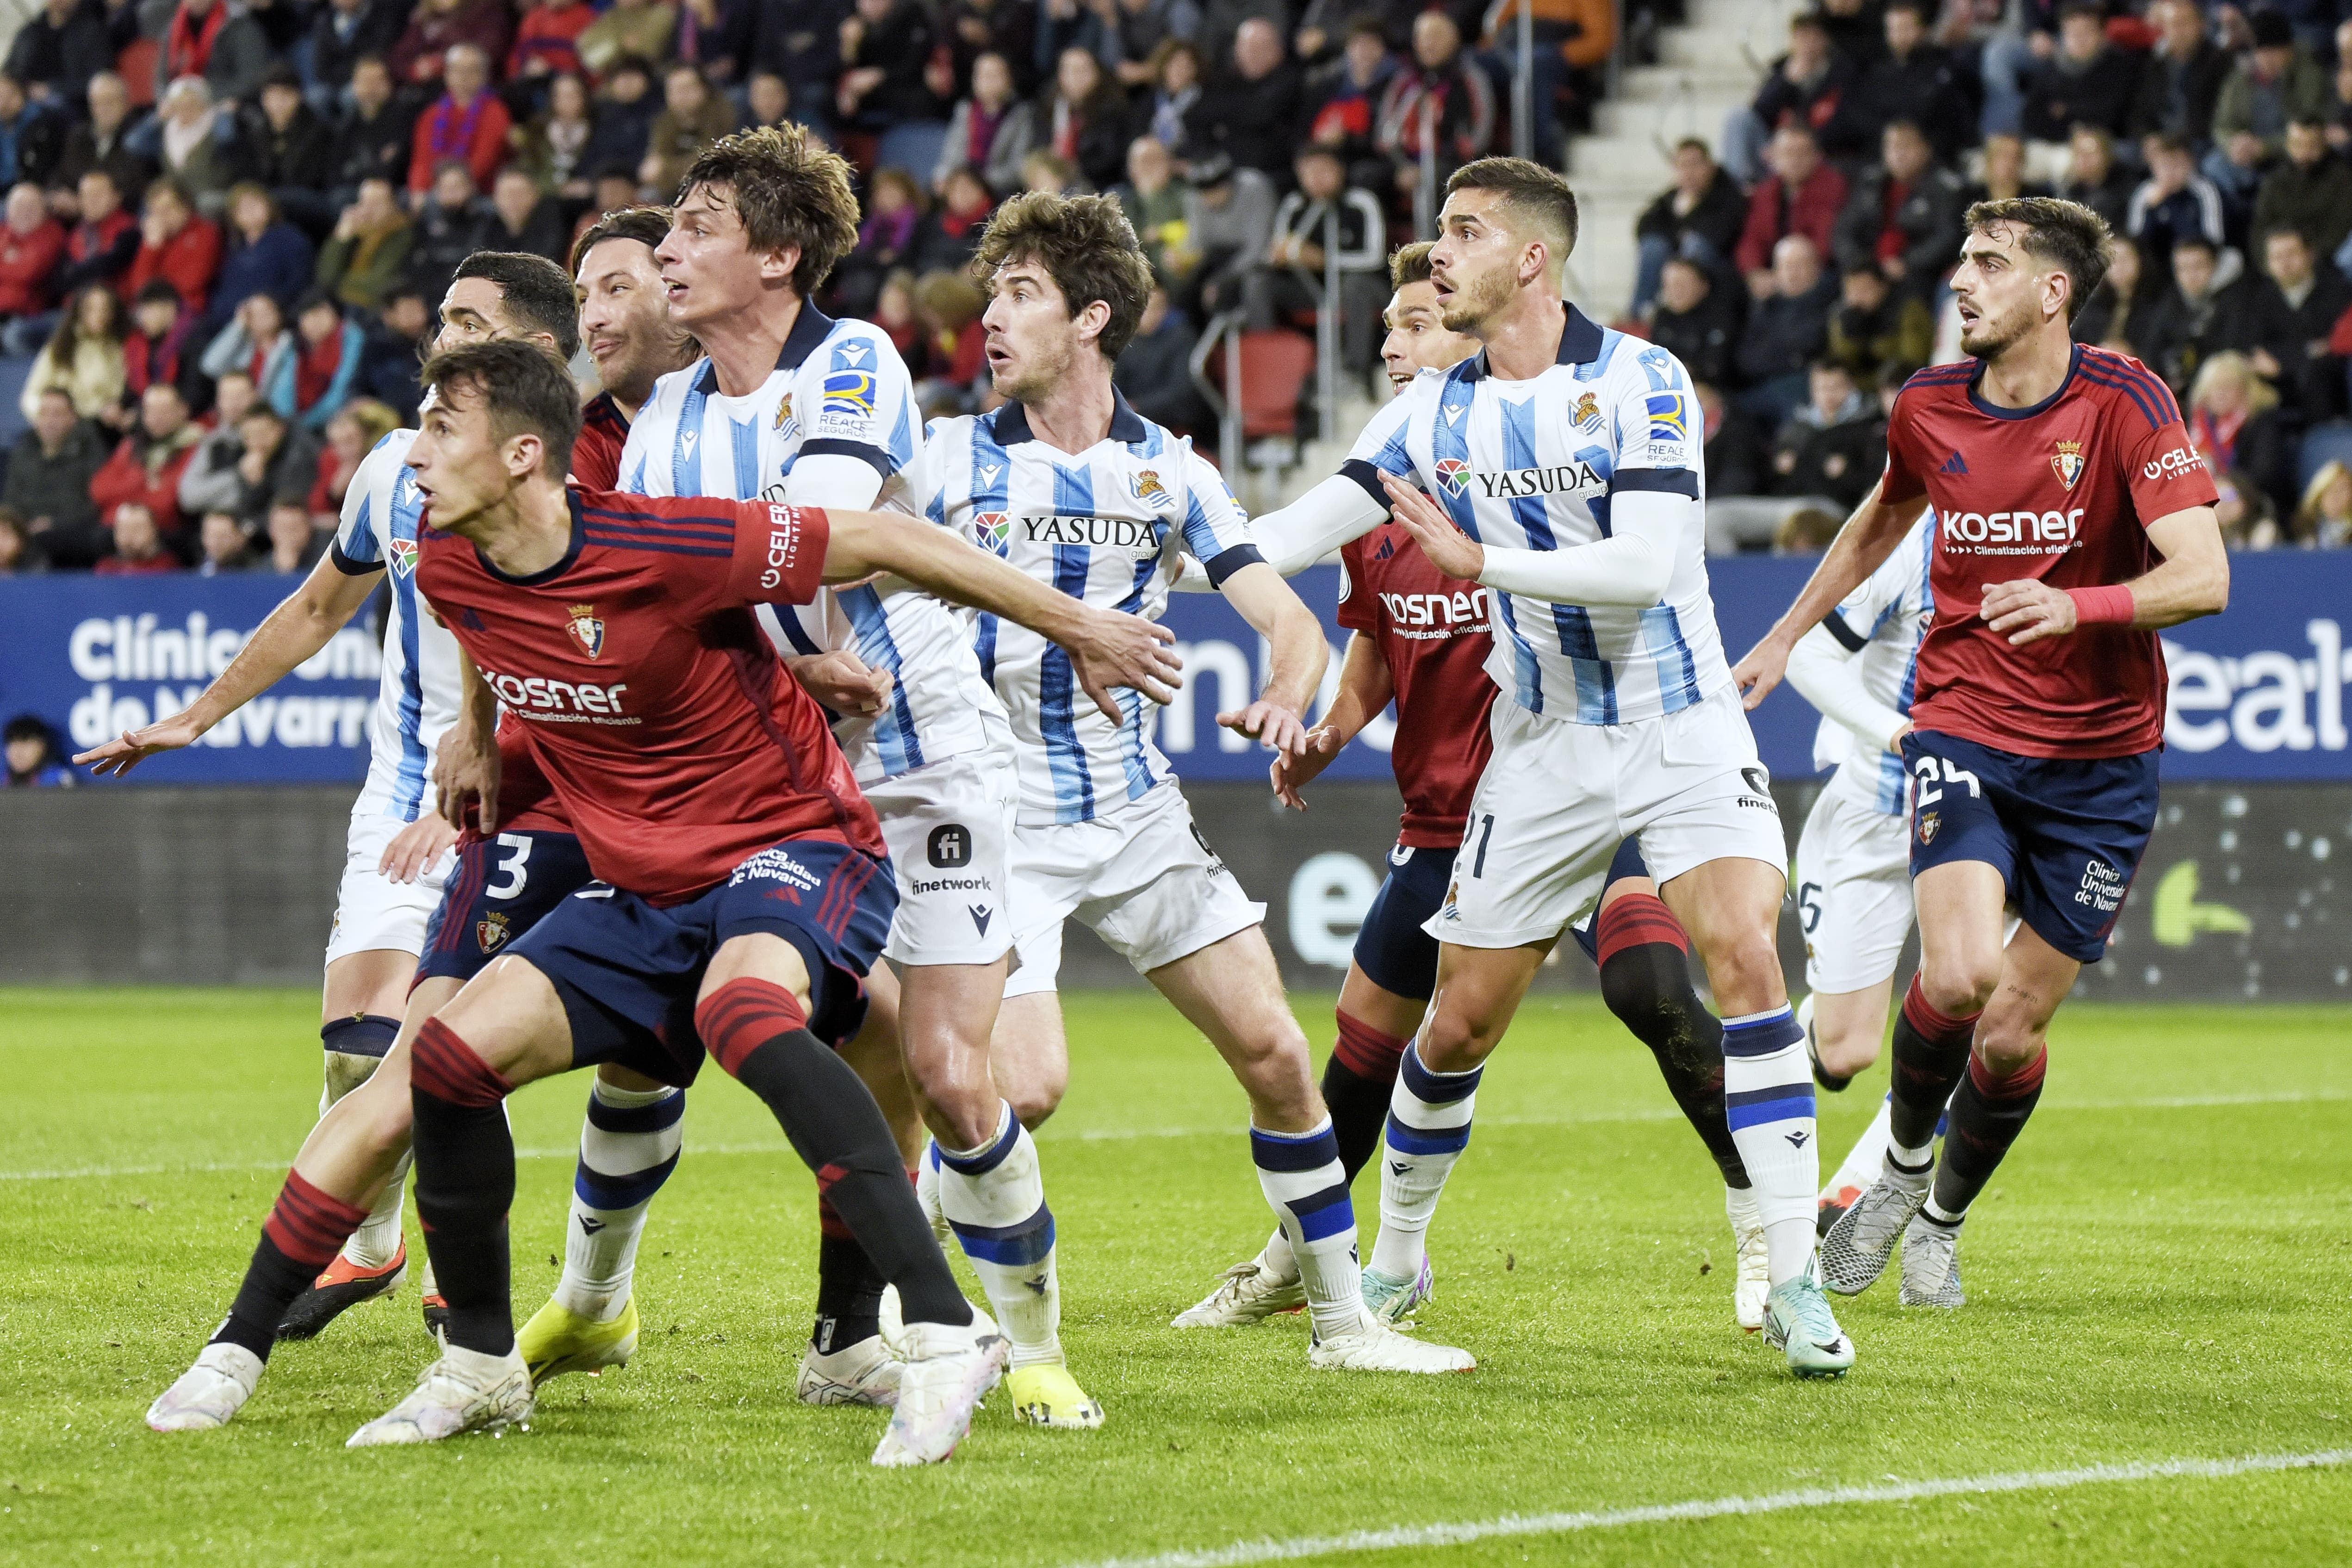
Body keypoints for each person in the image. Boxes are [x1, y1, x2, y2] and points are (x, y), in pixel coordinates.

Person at [138, 334, 1177, 1456]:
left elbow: (881, 537)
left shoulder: (664, 545)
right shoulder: (441, 557)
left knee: (744, 1016)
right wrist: (479, 741)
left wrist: (1080, 624)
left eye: (443, 426)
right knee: (443, 1058)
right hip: (643, 880)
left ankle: (939, 1327)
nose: (414, 448)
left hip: (797, 842)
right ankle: (469, 1366)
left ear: (525, 454)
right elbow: (490, 634)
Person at [1227, 156, 1855, 1377]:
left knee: (1739, 950)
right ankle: (1399, 1256)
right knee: (1457, 1022)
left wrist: (1478, 561)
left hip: (1679, 725)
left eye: (1462, 233)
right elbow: (1302, 531)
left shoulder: (1643, 380)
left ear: (1532, 257)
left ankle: (1791, 1280)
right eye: (1437, 231)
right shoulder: (1425, 410)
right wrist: (1160, 549)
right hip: (1545, 746)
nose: (1439, 253)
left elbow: (1638, 565)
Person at [599, 125, 1127, 1420]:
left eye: (699, 222)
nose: (667, 244)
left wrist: (735, 623)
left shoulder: (854, 363)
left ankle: (1032, 1342)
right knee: (727, 1035)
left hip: (916, 748)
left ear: (778, 254)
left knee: (953, 1069)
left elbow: (819, 535)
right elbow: (658, 588)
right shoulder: (662, 415)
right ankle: (801, 1324)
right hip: (774, 768)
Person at [921, 188, 1470, 1378]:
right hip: (989, 818)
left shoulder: (1170, 472)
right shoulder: (942, 462)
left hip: (1131, 813)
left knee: (1277, 1053)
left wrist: (1288, 691)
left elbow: (1287, 617)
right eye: (993, 295)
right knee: (1027, 1088)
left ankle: (1342, 1325)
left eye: (1022, 295)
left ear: (1093, 316)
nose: (992, 321)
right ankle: (911, 1271)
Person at [77, 254, 587, 1340]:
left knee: (444, 1040)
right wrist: (196, 716)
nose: (436, 334)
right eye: (440, 315)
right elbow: (317, 610)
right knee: (359, 1043)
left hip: (530, 787)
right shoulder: (389, 471)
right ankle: (374, 1246)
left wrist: (486, 769)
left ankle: (473, 1283)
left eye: (466, 320)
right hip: (404, 780)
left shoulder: (584, 483)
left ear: (537, 352)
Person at [1732, 196, 2228, 1312]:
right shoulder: (1928, 404)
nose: (1962, 280)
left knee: (2008, 1035)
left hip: (2103, 763)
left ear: (2052, 292)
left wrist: (2081, 608)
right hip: (1964, 728)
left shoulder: (2124, 400)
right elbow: (1879, 515)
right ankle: (1904, 1164)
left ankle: (1939, 1221)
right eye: (1961, 260)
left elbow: (2205, 576)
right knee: (1957, 976)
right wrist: (1784, 634)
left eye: (1990, 264)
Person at [1781, 512, 1941, 1229]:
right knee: (1844, 1053)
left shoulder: (2051, 530)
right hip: (1875, 814)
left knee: (1981, 997)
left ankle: (1856, 1187)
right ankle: (1793, 1034)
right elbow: (1807, 657)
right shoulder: (1912, 542)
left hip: (1975, 812)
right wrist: (1894, 733)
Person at [568, 205, 692, 489]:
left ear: (684, 293)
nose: (591, 320)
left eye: (617, 289)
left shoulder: (769, 405)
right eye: (584, 300)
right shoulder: (574, 454)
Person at [1243, 146, 1386, 380]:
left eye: (1324, 170)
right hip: (1310, 288)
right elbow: (1279, 250)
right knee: (1260, 282)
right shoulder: (1294, 206)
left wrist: (1323, 260)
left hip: (1361, 288)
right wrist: (1280, 257)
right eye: (1309, 172)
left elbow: (1376, 258)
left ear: (1340, 171)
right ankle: (1269, 366)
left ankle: (1356, 373)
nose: (1316, 179)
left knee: (1356, 287)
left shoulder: (1361, 202)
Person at [1631, 138, 1745, 319]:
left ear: (1710, 166)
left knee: (1695, 245)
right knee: (1654, 247)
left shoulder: (1728, 194)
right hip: (1674, 264)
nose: (1689, 172)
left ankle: (1683, 313)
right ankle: (1639, 315)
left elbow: (1718, 236)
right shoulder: (1673, 197)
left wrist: (1686, 216)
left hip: (1720, 271)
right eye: (1682, 166)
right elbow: (1644, 226)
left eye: (1695, 165)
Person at [3, 385, 107, 563]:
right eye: (44, 413)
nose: (50, 421)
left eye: (58, 414)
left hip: (74, 538)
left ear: (73, 418)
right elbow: (11, 501)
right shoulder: (23, 452)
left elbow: (95, 504)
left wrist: (54, 524)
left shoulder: (92, 452)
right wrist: (22, 527)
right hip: (26, 534)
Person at [406, 45, 511, 204]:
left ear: (483, 76)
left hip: (478, 193)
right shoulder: (431, 114)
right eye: (458, 70)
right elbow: (421, 160)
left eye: (472, 71)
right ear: (447, 75)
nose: (464, 77)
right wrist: (419, 190)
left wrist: (453, 188)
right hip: (436, 191)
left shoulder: (496, 112)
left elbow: (484, 162)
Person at [935, 50, 1035, 198]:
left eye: (994, 75)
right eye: (983, 75)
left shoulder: (1021, 114)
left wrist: (980, 183)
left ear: (1009, 79)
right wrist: (944, 176)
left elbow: (1019, 166)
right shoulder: (965, 110)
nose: (988, 81)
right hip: (963, 183)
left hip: (999, 189)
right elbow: (952, 153)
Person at [96, 500, 181, 574]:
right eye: (124, 529)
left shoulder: (168, 568)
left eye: (137, 529)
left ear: (154, 531)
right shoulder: (106, 570)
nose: (130, 536)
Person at [4, 713, 77, 786]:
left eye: (25, 742)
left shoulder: (60, 780)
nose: (18, 752)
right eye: (13, 744)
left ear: (43, 746)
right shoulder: (5, 782)